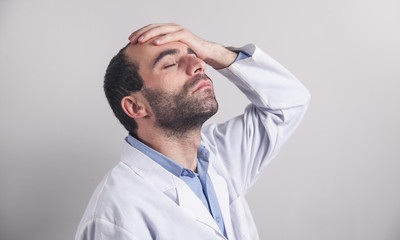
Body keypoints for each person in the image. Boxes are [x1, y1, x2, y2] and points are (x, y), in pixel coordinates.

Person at [75, 23, 310, 240]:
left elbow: (289, 102)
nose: (199, 64)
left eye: (194, 55)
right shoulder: (115, 214)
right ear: (136, 106)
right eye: (169, 64)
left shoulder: (219, 156)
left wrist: (213, 51)